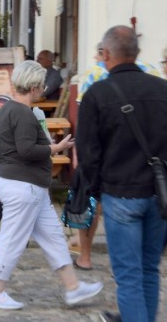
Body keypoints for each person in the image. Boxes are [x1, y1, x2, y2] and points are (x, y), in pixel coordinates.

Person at [0, 60, 102, 310]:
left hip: (25, 186)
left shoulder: (7, 108)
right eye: (42, 85)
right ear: (35, 86)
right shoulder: (24, 113)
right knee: (12, 239)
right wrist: (55, 148)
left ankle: (73, 288)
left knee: (54, 237)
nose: (44, 89)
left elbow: (8, 148)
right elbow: (27, 150)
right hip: (23, 186)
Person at [76, 26, 167, 322]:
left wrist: (96, 189)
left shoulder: (97, 94)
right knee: (149, 269)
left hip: (120, 193)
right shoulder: (162, 90)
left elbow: (88, 153)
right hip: (159, 193)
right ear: (136, 53)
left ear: (106, 54)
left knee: (128, 275)